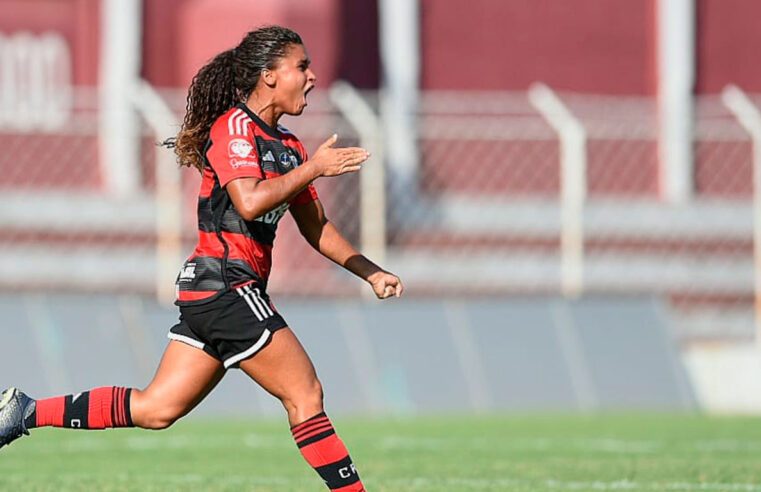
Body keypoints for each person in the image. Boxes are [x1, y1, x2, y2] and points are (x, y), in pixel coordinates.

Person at [0, 25, 402, 492]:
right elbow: (249, 201)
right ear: (269, 75)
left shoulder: (290, 147)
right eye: (302, 66)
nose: (312, 77)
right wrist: (316, 168)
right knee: (305, 394)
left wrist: (370, 272)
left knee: (156, 409)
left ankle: (24, 411)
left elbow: (316, 228)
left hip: (214, 292)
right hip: (227, 286)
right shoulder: (233, 128)